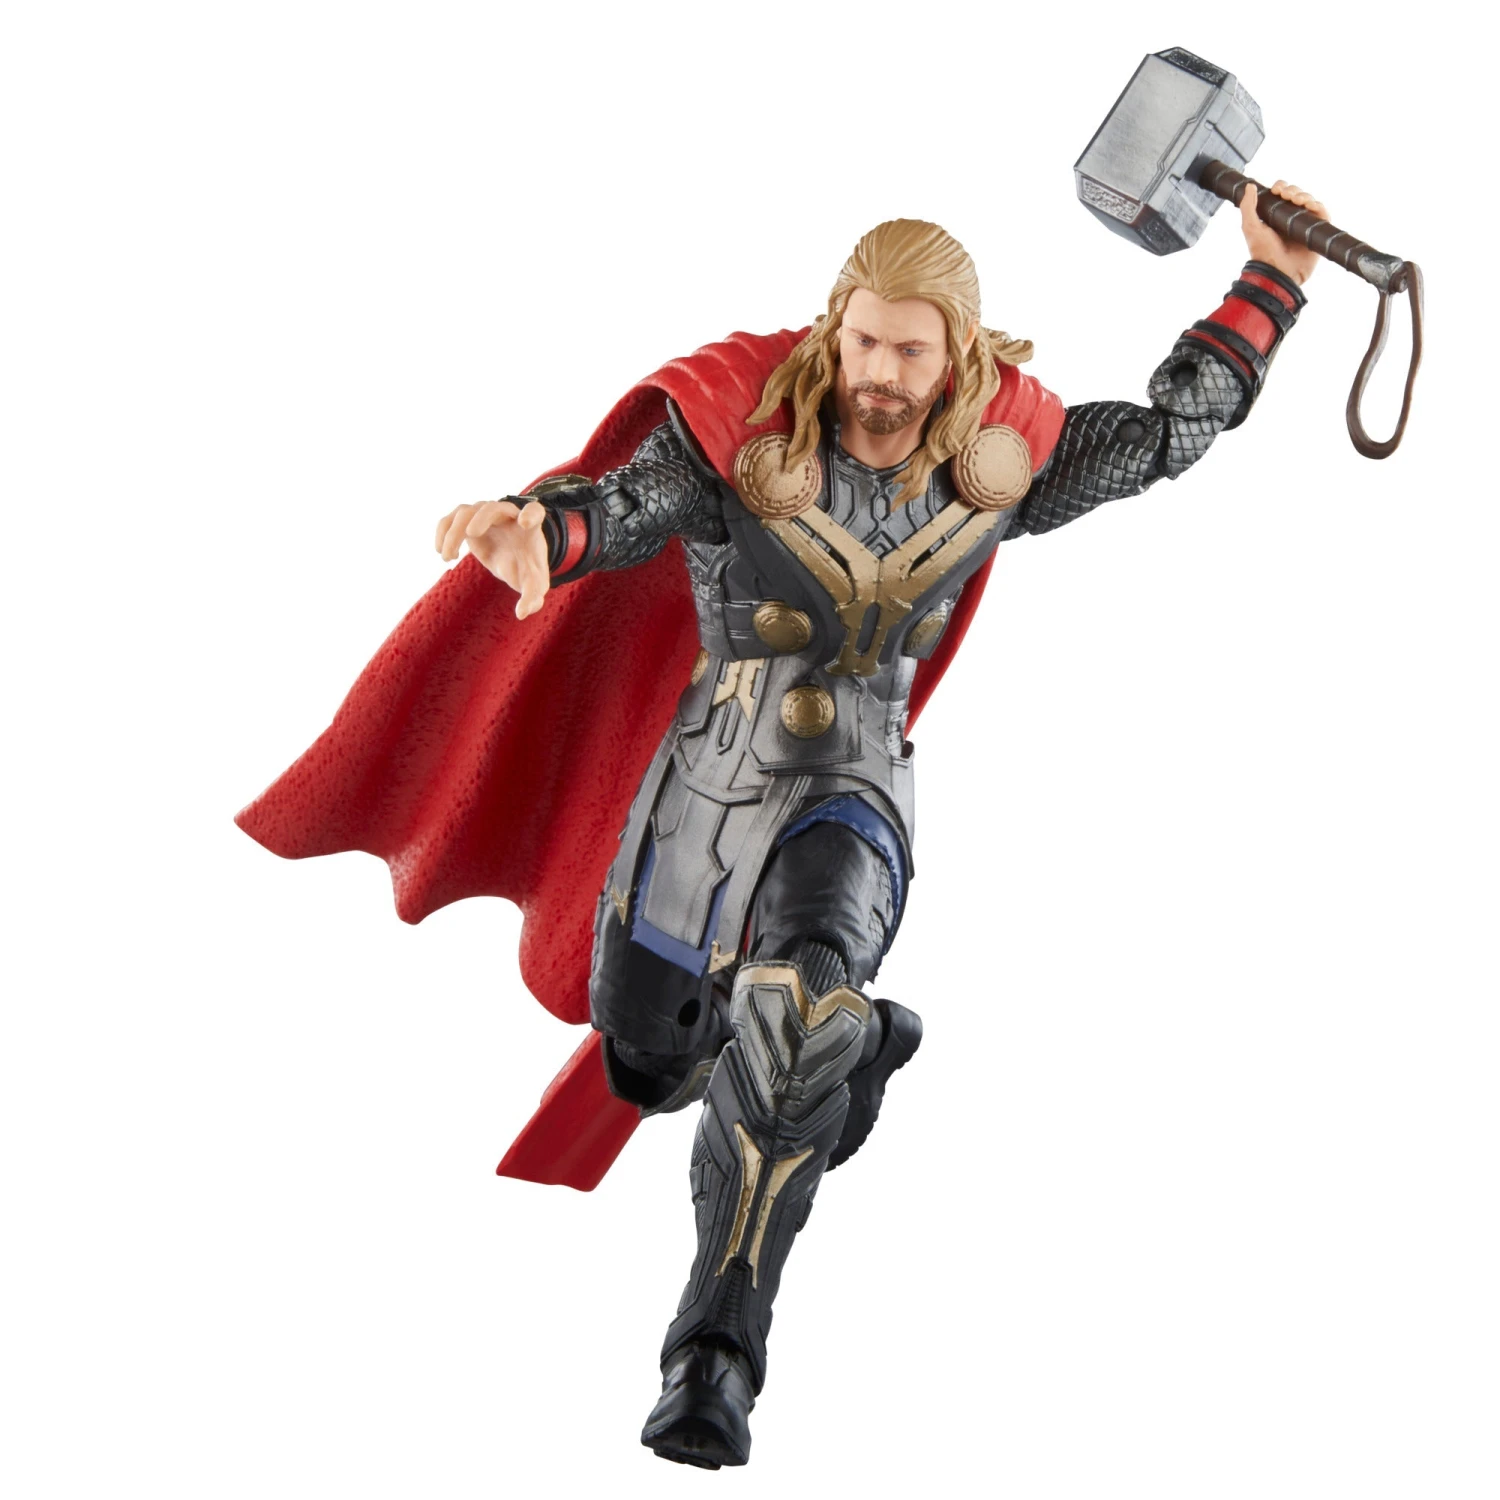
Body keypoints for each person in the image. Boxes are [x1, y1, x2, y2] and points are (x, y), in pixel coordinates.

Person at [238, 183, 1324, 1469]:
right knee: (646, 1062)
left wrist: (1271, 284)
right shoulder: (745, 438)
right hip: (707, 784)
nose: (880, 372)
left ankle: (713, 1357)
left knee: (794, 1015)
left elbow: (1163, 436)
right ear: (833, 328)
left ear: (957, 353)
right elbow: (632, 500)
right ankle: (852, 1061)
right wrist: (546, 528)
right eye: (863, 340)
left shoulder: (1002, 462)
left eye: (909, 350)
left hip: (852, 795)